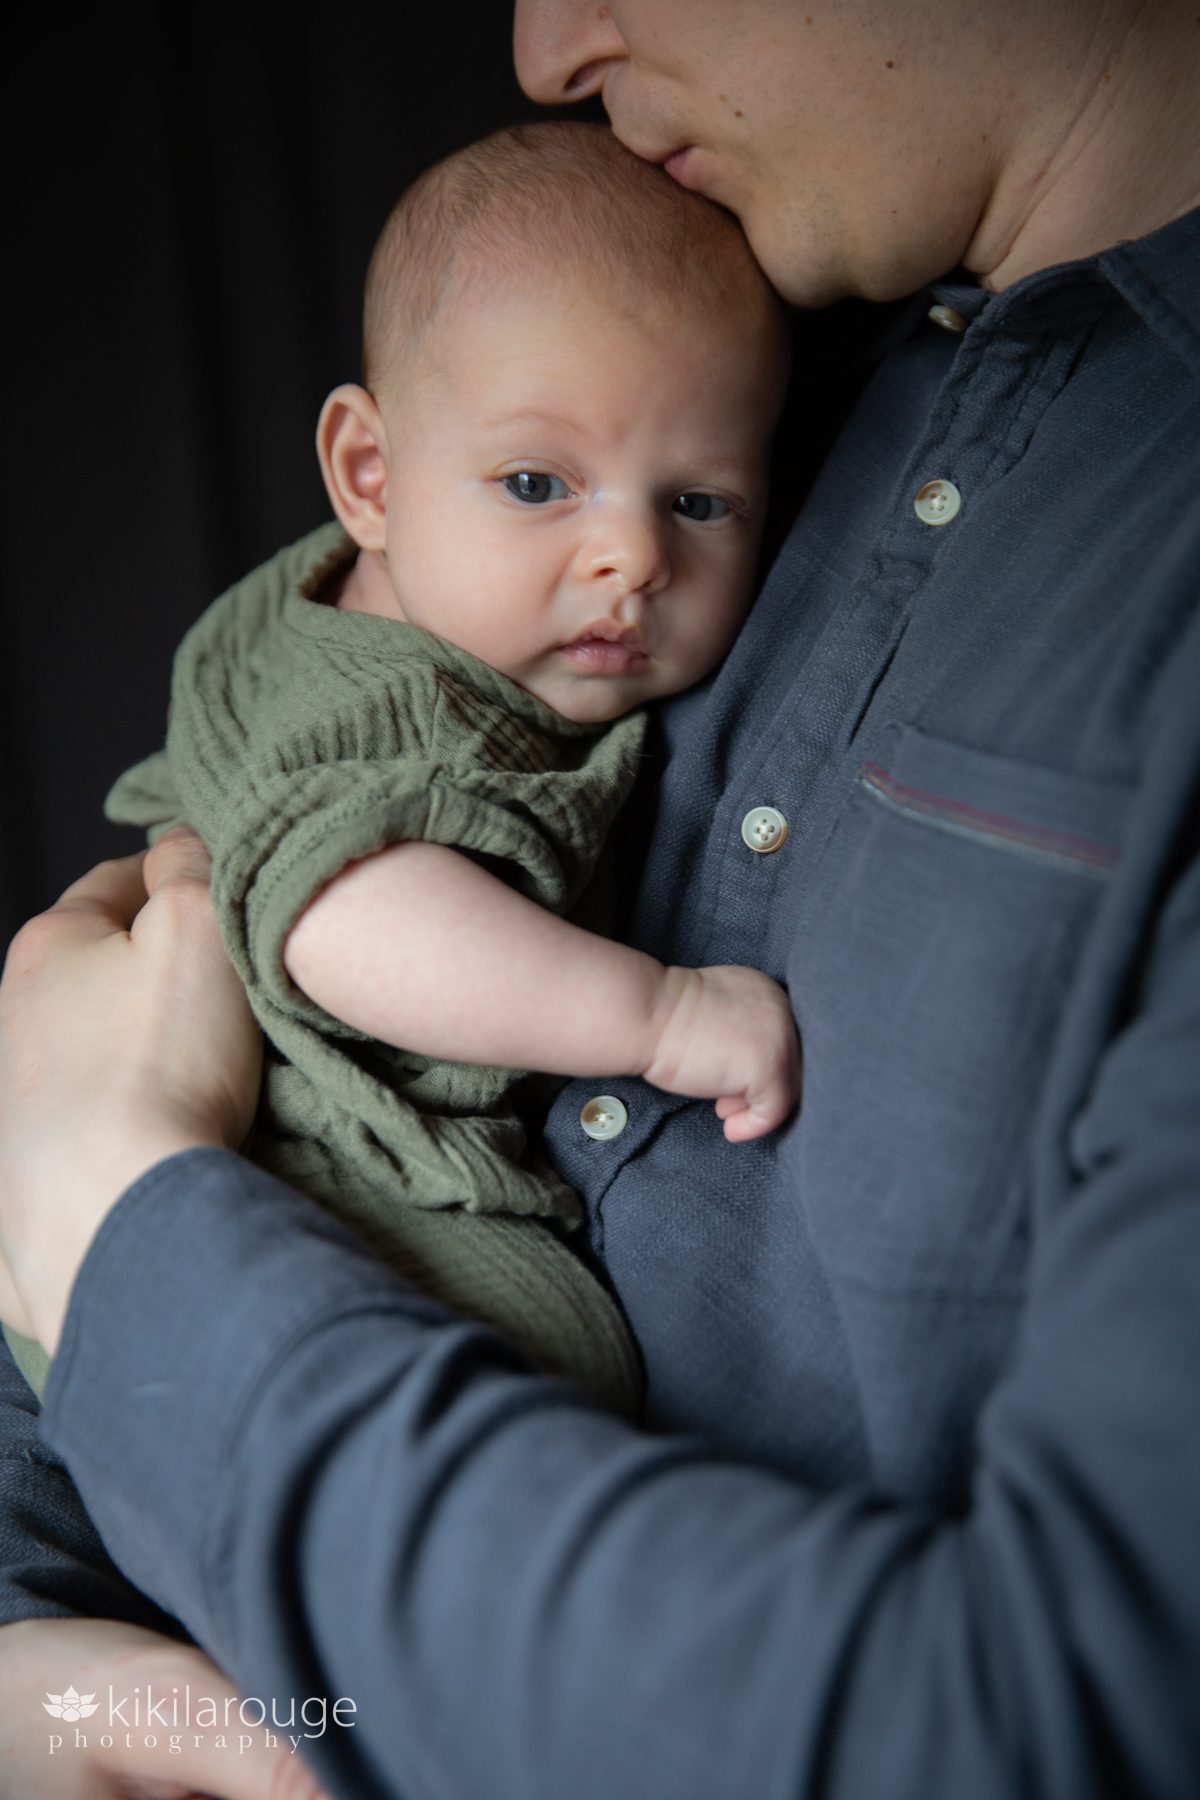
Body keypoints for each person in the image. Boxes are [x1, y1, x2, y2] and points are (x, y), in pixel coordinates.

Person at [1, 0, 1199, 1795]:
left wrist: (113, 1231)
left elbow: (1055, 1725)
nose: (547, 40)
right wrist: (33, 1644)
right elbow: (205, 986)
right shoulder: (739, 354)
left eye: (697, 504)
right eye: (547, 487)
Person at [5, 122, 795, 1415]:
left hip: (136, 1204)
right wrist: (666, 1016)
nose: (632, 559)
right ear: (369, 476)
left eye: (699, 503)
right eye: (540, 482)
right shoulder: (393, 713)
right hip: (300, 1174)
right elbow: (345, 922)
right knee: (559, 1349)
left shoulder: (385, 598)